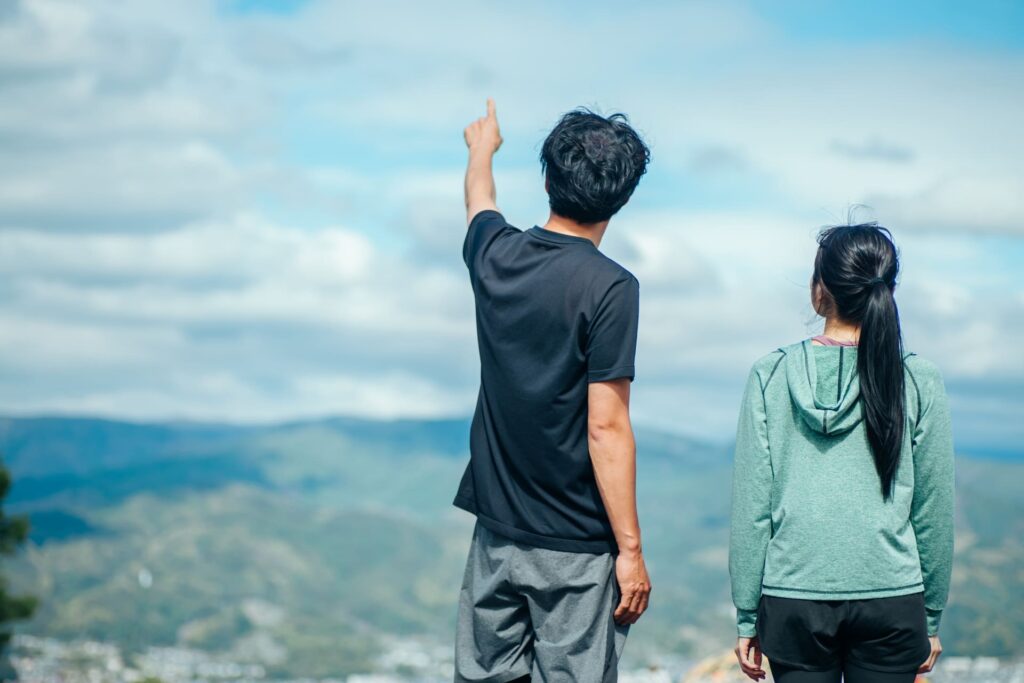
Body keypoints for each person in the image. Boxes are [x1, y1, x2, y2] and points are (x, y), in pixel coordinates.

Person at [452, 99, 651, 683]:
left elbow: (478, 201)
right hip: (575, 546)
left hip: (495, 533)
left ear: (546, 178)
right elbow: (606, 427)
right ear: (622, 196)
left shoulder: (496, 255)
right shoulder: (611, 287)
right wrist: (631, 552)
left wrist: (482, 148)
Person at [729, 223, 955, 683]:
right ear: (888, 291)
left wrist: (748, 617)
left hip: (793, 597)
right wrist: (929, 616)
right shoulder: (916, 378)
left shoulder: (770, 375)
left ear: (819, 292)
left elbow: (753, 507)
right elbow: (933, 508)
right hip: (893, 596)